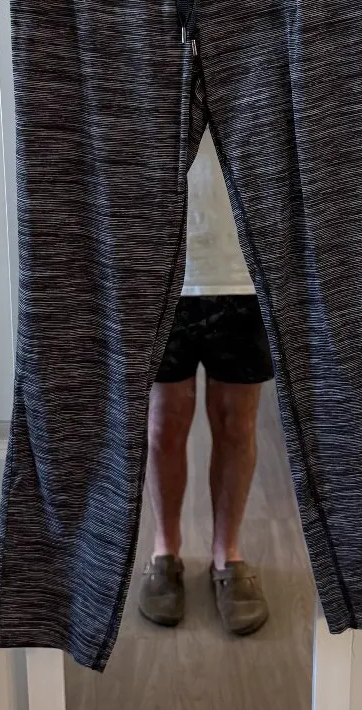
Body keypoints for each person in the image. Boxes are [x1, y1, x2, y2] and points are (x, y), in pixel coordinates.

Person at [138, 129, 273, 636]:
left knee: (237, 424)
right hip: (160, 260)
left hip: (245, 264)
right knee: (164, 424)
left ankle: (226, 555)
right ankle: (165, 551)